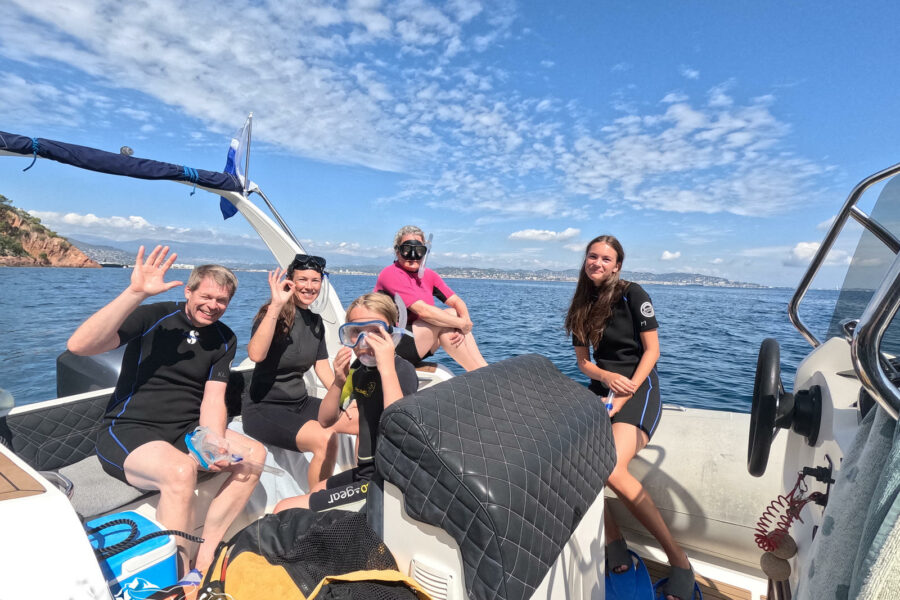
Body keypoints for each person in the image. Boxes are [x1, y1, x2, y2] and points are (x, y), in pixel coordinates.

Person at [67, 245, 263, 585]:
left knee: (254, 456)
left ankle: (206, 554)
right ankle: (177, 578)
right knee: (180, 471)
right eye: (206, 296)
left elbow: (213, 398)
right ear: (188, 291)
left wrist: (211, 441)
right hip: (130, 430)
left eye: (222, 300)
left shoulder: (224, 338)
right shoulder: (154, 316)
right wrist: (135, 293)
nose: (213, 305)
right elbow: (79, 346)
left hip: (184, 428)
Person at [564, 235, 695, 600]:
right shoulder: (580, 304)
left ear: (617, 266)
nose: (597, 263)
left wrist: (625, 391)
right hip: (603, 388)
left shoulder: (632, 294)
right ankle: (614, 541)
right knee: (574, 464)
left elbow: (652, 351)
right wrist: (605, 378)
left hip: (639, 387)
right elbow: (583, 362)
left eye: (606, 258)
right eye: (593, 256)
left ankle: (679, 560)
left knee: (611, 468)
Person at [274, 292, 418, 513]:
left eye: (375, 331)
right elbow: (325, 420)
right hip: (366, 471)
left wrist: (386, 366)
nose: (365, 341)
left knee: (284, 508)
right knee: (318, 489)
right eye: (356, 332)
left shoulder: (401, 370)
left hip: (385, 480)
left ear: (391, 333)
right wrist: (338, 382)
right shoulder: (359, 371)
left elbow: (400, 430)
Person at [243, 254, 356, 490]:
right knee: (325, 439)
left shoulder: (315, 321)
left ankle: (364, 482)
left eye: (315, 280)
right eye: (302, 279)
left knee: (362, 421)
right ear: (290, 281)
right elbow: (255, 354)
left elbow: (321, 366)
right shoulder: (272, 315)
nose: (309, 286)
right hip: (265, 407)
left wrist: (348, 398)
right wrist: (276, 306)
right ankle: (317, 502)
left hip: (300, 403)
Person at [374, 225, 487, 371]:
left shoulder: (428, 275)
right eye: (407, 250)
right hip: (390, 343)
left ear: (425, 252)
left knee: (453, 314)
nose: (413, 256)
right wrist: (460, 324)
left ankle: (483, 369)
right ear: (397, 251)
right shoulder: (390, 274)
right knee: (443, 321)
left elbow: (456, 301)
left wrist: (465, 321)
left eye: (418, 250)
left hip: (417, 340)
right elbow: (424, 311)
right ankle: (478, 373)